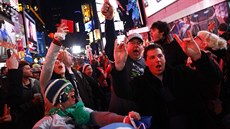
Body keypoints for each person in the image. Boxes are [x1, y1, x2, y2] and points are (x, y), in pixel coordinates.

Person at [111, 31, 223, 129]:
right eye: (152, 57)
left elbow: (213, 79)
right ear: (146, 62)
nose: (157, 60)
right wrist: (119, 67)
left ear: (165, 58)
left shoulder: (182, 73)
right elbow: (123, 91)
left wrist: (199, 58)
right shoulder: (141, 84)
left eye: (160, 56)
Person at [33, 78, 141, 129]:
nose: (74, 98)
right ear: (60, 99)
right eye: (71, 95)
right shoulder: (49, 121)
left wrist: (125, 119)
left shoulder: (80, 111)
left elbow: (100, 116)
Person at [102, 1, 146, 115]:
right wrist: (109, 19)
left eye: (139, 43)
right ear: (126, 45)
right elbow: (111, 43)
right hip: (121, 115)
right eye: (133, 42)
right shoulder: (121, 59)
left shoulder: (146, 63)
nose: (136, 45)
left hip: (142, 112)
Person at [6, 55, 44, 129]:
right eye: (27, 69)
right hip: (23, 122)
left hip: (39, 119)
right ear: (20, 71)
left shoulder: (36, 82)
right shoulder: (16, 88)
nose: (31, 70)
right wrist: (32, 103)